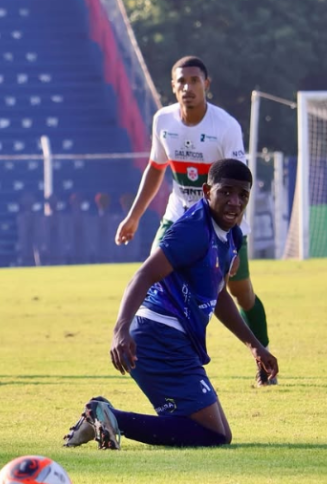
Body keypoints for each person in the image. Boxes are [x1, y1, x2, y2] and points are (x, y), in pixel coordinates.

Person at [64, 159, 278, 450]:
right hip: (157, 336)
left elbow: (219, 296)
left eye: (243, 195)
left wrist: (254, 345)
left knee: (218, 433)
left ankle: (104, 415)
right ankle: (107, 417)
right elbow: (143, 276)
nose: (234, 202)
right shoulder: (191, 230)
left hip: (173, 338)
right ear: (206, 191)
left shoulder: (232, 234)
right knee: (212, 434)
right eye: (226, 192)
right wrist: (120, 330)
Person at [114, 56, 276, 387]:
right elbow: (156, 169)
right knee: (155, 275)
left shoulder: (225, 126)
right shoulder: (163, 120)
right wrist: (134, 217)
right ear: (173, 87)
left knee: (240, 293)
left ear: (207, 84)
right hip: (178, 218)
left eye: (194, 81)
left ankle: (262, 356)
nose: (187, 87)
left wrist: (234, 240)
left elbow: (239, 188)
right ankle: (155, 350)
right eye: (180, 82)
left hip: (221, 223)